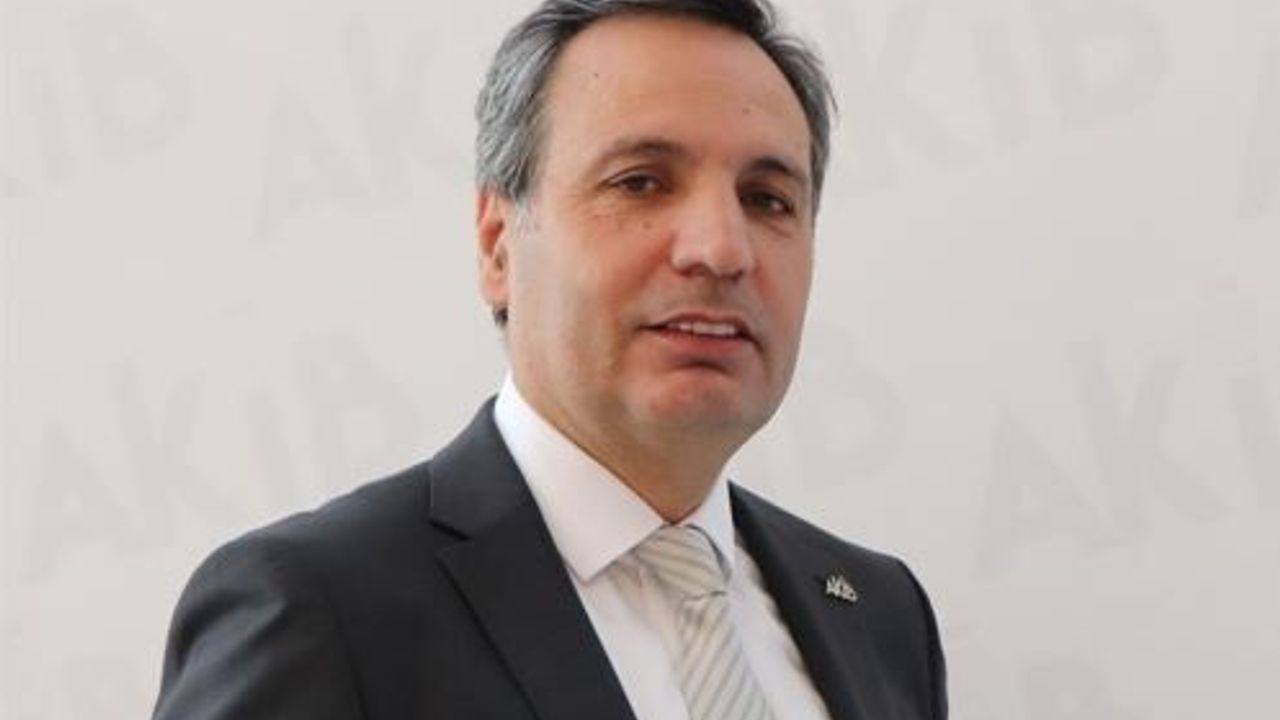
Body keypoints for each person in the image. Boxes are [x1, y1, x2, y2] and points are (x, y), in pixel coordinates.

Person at [152, 1, 947, 718]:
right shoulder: (323, 608)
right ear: (499, 245)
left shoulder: (880, 614)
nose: (720, 248)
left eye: (767, 199)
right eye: (641, 183)